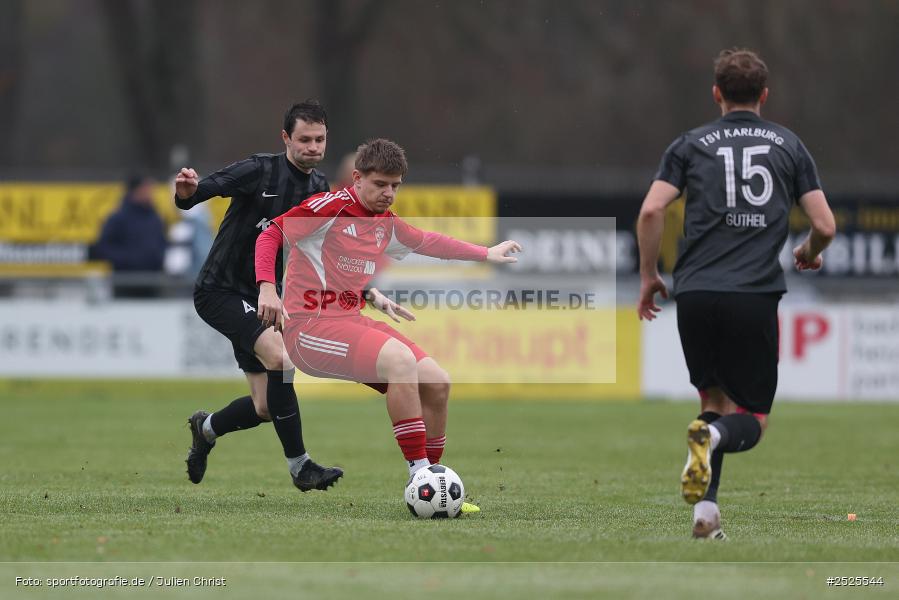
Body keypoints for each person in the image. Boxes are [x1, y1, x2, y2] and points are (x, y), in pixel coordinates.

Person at [254, 139, 521, 512]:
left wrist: (485, 253)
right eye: (380, 184)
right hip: (310, 329)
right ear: (357, 178)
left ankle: (434, 480)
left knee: (437, 382)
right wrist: (268, 287)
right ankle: (420, 475)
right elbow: (271, 234)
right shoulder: (328, 208)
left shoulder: (385, 224)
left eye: (395, 186)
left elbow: (429, 241)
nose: (389, 193)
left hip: (350, 321)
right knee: (399, 361)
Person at [636, 49, 836, 539]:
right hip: (753, 294)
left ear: (717, 93)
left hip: (697, 292)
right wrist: (809, 250)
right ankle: (714, 438)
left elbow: (650, 212)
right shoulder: (789, 145)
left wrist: (648, 275)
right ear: (764, 95)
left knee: (714, 400)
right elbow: (825, 225)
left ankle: (705, 516)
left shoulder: (690, 144)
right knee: (751, 419)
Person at [174, 100, 349, 493]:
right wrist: (186, 194)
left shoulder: (320, 189)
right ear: (286, 138)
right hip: (219, 290)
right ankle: (301, 466)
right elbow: (203, 189)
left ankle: (205, 429)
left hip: (266, 300)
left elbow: (323, 252)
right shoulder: (260, 169)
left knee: (265, 407)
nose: (313, 147)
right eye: (304, 139)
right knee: (282, 359)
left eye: (320, 139)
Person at [92, 174, 167, 298]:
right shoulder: (117, 218)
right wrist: (131, 260)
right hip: (125, 283)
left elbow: (162, 243)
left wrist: (159, 257)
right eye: (147, 188)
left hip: (152, 283)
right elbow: (103, 248)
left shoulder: (155, 218)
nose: (151, 193)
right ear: (136, 191)